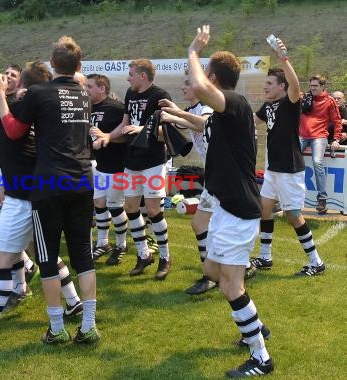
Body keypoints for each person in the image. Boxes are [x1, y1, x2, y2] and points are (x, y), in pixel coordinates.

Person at [0, 36, 100, 345]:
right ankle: (88, 326)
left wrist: (0, 96)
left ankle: (56, 329)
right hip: (82, 180)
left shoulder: (39, 92)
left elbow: (13, 130)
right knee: (83, 255)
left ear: (52, 65)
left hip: (49, 184)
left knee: (48, 257)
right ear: (79, 66)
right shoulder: (84, 94)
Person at [188, 25, 274, 377]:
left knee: (229, 284)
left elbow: (197, 88)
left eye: (206, 72)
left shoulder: (235, 104)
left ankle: (261, 356)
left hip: (238, 210)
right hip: (226, 207)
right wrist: (177, 115)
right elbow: (201, 120)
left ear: (213, 77)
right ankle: (256, 324)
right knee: (211, 270)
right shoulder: (226, 114)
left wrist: (193, 51)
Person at [249, 39, 326, 277]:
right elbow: (253, 119)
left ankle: (316, 261)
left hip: (290, 170)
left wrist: (284, 58)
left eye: (269, 84)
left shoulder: (290, 102)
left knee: (293, 216)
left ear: (282, 86)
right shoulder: (269, 106)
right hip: (273, 169)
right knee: (264, 209)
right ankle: (265, 256)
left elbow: (295, 85)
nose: (265, 87)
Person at [93, 58, 172, 279]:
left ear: (143, 76)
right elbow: (124, 123)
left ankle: (165, 257)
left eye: (131, 74)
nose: (128, 78)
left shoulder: (160, 95)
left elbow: (167, 132)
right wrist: (109, 136)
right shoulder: (130, 93)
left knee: (154, 210)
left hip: (153, 161)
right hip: (132, 161)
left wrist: (142, 129)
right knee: (130, 208)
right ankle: (144, 255)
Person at [158, 73, 215, 295]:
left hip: (222, 175)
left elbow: (203, 124)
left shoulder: (206, 108)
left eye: (187, 84)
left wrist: (175, 113)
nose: (183, 88)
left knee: (201, 224)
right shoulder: (194, 109)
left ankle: (211, 275)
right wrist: (173, 113)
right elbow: (187, 122)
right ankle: (239, 267)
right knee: (214, 226)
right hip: (216, 173)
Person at [86, 74, 129, 264]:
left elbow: (127, 135)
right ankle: (103, 243)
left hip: (116, 166)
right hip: (99, 165)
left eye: (89, 87)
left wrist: (107, 136)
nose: (85, 90)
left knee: (115, 206)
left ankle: (121, 244)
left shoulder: (117, 108)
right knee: (99, 204)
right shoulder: (87, 109)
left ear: (101, 88)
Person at [299, 75, 342, 214]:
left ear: (323, 86)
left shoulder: (330, 101)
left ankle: (322, 199)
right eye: (311, 86)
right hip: (302, 135)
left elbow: (337, 121)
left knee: (317, 162)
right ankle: (284, 197)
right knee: (288, 160)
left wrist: (336, 139)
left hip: (319, 136)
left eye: (315, 86)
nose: (312, 88)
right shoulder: (305, 97)